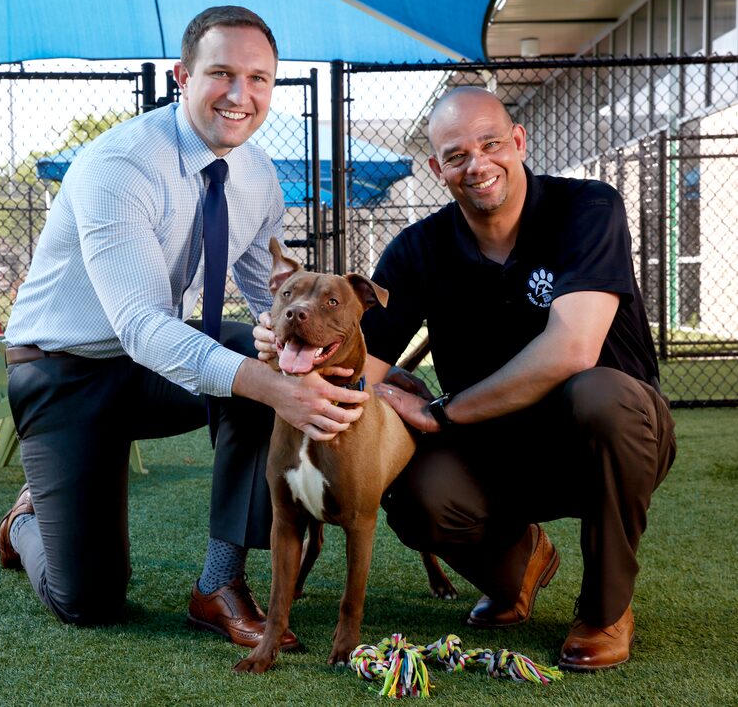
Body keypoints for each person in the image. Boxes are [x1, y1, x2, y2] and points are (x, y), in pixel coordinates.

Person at [256, 85, 675, 671]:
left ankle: (604, 611)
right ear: (437, 168)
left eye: (491, 144)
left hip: (606, 438)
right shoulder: (417, 250)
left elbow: (574, 348)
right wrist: (291, 350)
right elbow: (357, 370)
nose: (477, 164)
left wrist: (438, 412)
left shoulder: (587, 209)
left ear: (519, 142)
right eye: (456, 155)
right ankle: (519, 564)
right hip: (492, 447)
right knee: (409, 487)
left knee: (601, 395)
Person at [0, 6, 368, 648]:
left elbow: (268, 303)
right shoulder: (120, 165)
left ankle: (218, 584)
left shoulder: (257, 176)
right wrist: (267, 381)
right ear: (182, 76)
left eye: (258, 79)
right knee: (87, 601)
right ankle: (24, 521)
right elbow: (140, 324)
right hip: (62, 371)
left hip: (148, 367)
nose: (239, 94)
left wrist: (356, 374)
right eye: (221, 73)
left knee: (262, 357)